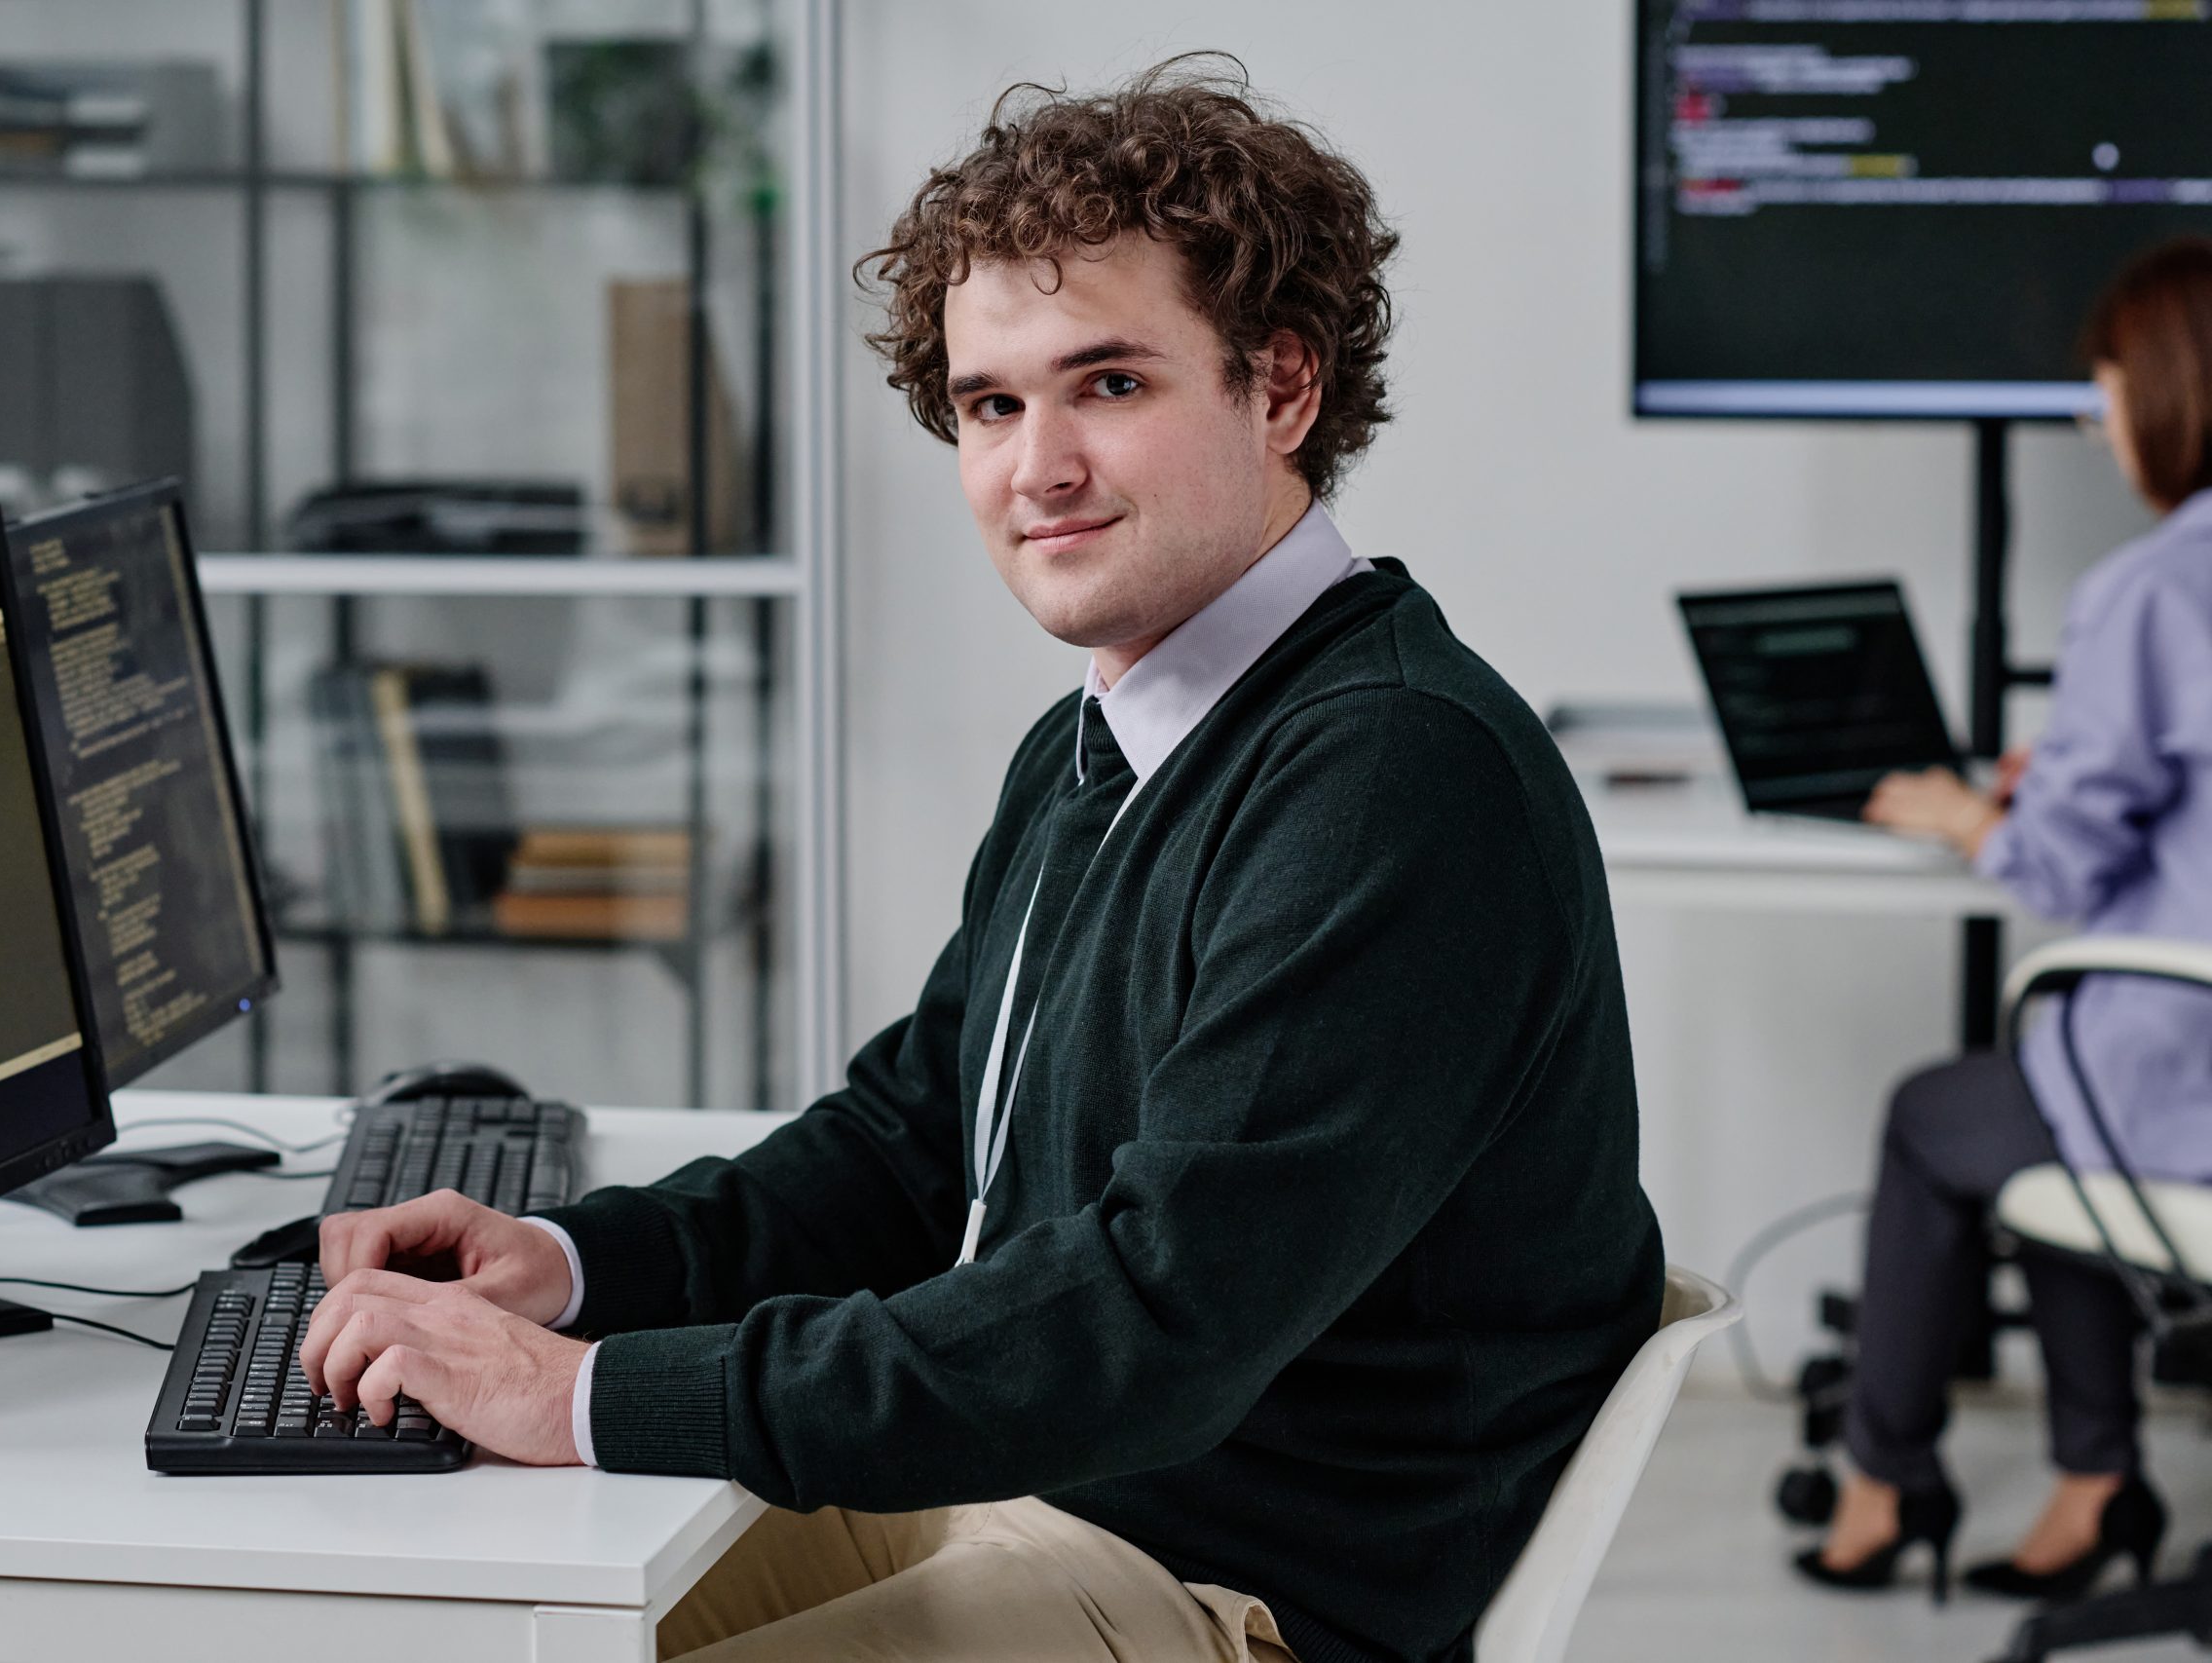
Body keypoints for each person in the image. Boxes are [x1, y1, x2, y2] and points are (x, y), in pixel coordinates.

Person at [298, 57, 1664, 1663]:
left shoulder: (1389, 779)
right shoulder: (1117, 731)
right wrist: (587, 1265)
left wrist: (589, 1394)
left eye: (1111, 386)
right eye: (991, 405)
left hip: (1233, 1581)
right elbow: (915, 1139)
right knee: (415, 1616)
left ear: (1281, 386)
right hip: (1068, 1488)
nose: (1039, 469)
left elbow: (1152, 1321)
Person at [1797, 235, 2212, 1604]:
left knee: (1944, 1117)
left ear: (2170, 393)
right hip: (2167, 1067)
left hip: (2188, 1087)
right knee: (2033, 1097)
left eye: (2107, 396)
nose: (2101, 432)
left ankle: (1886, 1481)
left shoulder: (2153, 589)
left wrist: (1974, 815)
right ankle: (2094, 1483)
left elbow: (2061, 874)